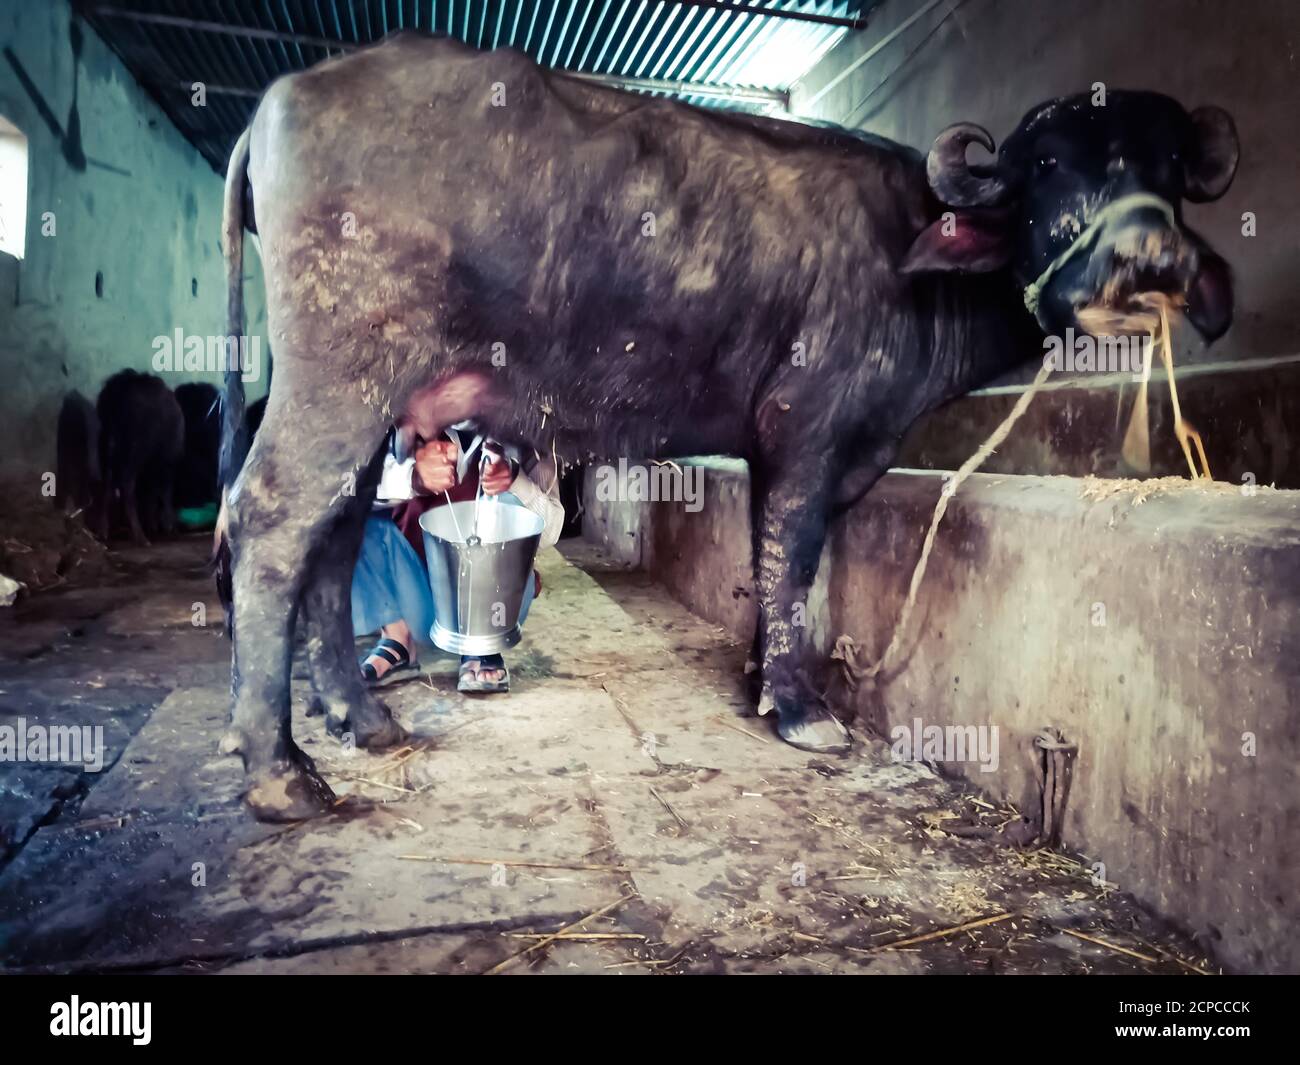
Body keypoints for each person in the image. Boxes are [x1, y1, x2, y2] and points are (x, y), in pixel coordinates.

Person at [351, 424, 563, 693]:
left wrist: (516, 481)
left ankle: (484, 646)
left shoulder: (531, 428)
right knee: (354, 517)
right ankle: (398, 639)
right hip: (419, 600)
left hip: (497, 609)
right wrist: (412, 479)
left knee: (507, 507)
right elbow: (349, 489)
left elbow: (551, 533)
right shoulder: (404, 420)